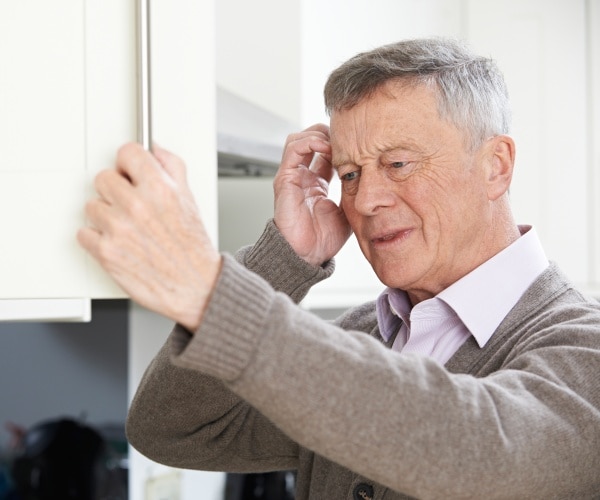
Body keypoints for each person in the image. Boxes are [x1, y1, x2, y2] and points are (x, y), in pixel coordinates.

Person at [78, 37, 600, 498]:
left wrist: (211, 294)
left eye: (398, 164)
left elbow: (479, 449)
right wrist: (282, 261)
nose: (366, 199)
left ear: (496, 166)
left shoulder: (583, 346)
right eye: (348, 174)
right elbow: (170, 427)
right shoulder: (363, 336)